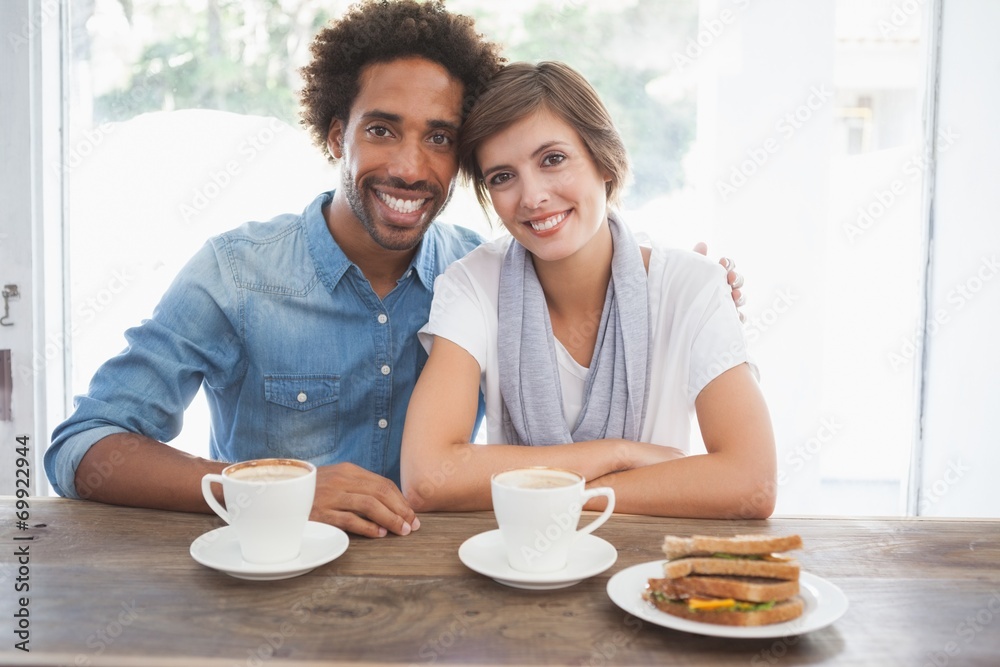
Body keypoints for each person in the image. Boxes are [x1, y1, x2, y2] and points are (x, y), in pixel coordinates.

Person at [45, 1, 744, 538]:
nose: (411, 167)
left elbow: (583, 243)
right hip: (264, 586)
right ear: (334, 136)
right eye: (382, 129)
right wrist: (260, 487)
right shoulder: (236, 272)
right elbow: (81, 448)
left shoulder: (478, 271)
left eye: (439, 138)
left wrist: (698, 294)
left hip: (438, 591)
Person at [400, 62, 775, 519]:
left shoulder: (692, 286)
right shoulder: (474, 283)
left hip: (647, 569)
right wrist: (618, 454)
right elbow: (427, 476)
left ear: (603, 159)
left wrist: (559, 492)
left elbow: (751, 482)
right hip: (519, 565)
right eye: (502, 176)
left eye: (552, 159)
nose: (532, 196)